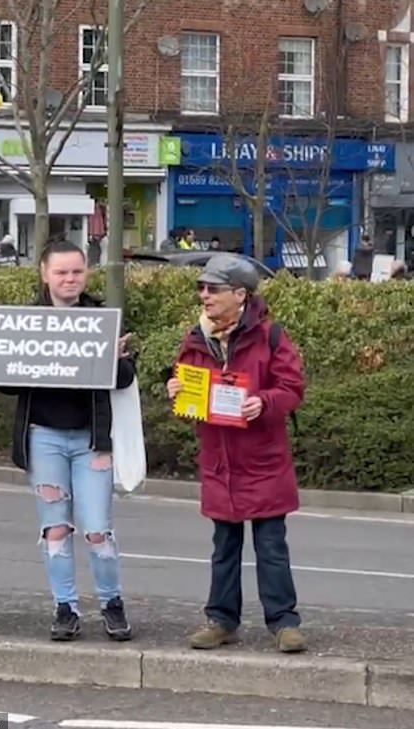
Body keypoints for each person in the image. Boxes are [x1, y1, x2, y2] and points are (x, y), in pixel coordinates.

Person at [0, 240, 135, 642]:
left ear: (86, 274)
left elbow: (124, 381)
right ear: (44, 274)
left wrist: (119, 360)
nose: (70, 279)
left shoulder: (101, 319)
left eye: (76, 271)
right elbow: (7, 384)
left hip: (92, 442)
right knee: (55, 530)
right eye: (61, 272)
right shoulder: (25, 322)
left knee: (97, 531)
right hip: (44, 439)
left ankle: (112, 603)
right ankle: (65, 608)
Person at [166, 253, 307, 654]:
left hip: (263, 460)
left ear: (240, 295)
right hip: (220, 460)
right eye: (202, 288)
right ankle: (222, 620)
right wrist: (177, 394)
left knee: (271, 547)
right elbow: (186, 390)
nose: (204, 295)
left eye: (213, 289)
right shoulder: (197, 338)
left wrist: (264, 402)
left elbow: (293, 387)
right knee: (223, 547)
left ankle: (284, 622)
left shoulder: (271, 336)